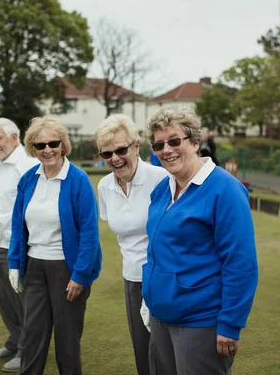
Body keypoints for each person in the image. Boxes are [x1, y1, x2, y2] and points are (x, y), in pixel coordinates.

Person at [143, 105, 258, 375]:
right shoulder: (162, 188)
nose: (166, 150)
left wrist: (230, 324)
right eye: (159, 145)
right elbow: (157, 250)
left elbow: (240, 263)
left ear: (195, 142)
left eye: (174, 141)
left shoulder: (225, 189)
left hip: (200, 321)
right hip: (160, 315)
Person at [7, 118, 102, 375]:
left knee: (67, 340)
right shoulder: (28, 179)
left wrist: (80, 275)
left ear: (63, 145)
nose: (47, 149)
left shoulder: (78, 180)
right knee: (32, 334)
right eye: (40, 145)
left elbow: (90, 234)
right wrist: (15, 263)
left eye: (53, 143)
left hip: (66, 269)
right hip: (34, 267)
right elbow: (18, 225)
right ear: (33, 148)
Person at [94, 114, 168, 375]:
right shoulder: (104, 186)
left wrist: (154, 282)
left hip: (162, 278)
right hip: (131, 280)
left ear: (137, 146)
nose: (115, 158)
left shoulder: (161, 178)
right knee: (142, 352)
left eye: (121, 149)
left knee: (166, 356)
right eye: (107, 153)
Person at [0, 118, 38, 373]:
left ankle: (27, 351)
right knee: (5, 299)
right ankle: (15, 340)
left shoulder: (27, 165)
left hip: (17, 246)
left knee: (24, 302)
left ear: (14, 138)